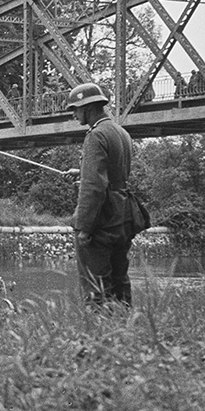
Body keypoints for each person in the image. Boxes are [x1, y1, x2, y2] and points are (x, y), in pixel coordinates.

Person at [66, 83, 136, 308]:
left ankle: (98, 334)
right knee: (120, 279)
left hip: (103, 219)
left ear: (88, 108)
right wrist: (82, 171)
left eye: (76, 109)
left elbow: (94, 188)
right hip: (122, 216)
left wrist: (84, 227)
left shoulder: (95, 135)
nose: (74, 114)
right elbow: (114, 172)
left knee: (95, 284)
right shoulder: (120, 132)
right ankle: (125, 328)